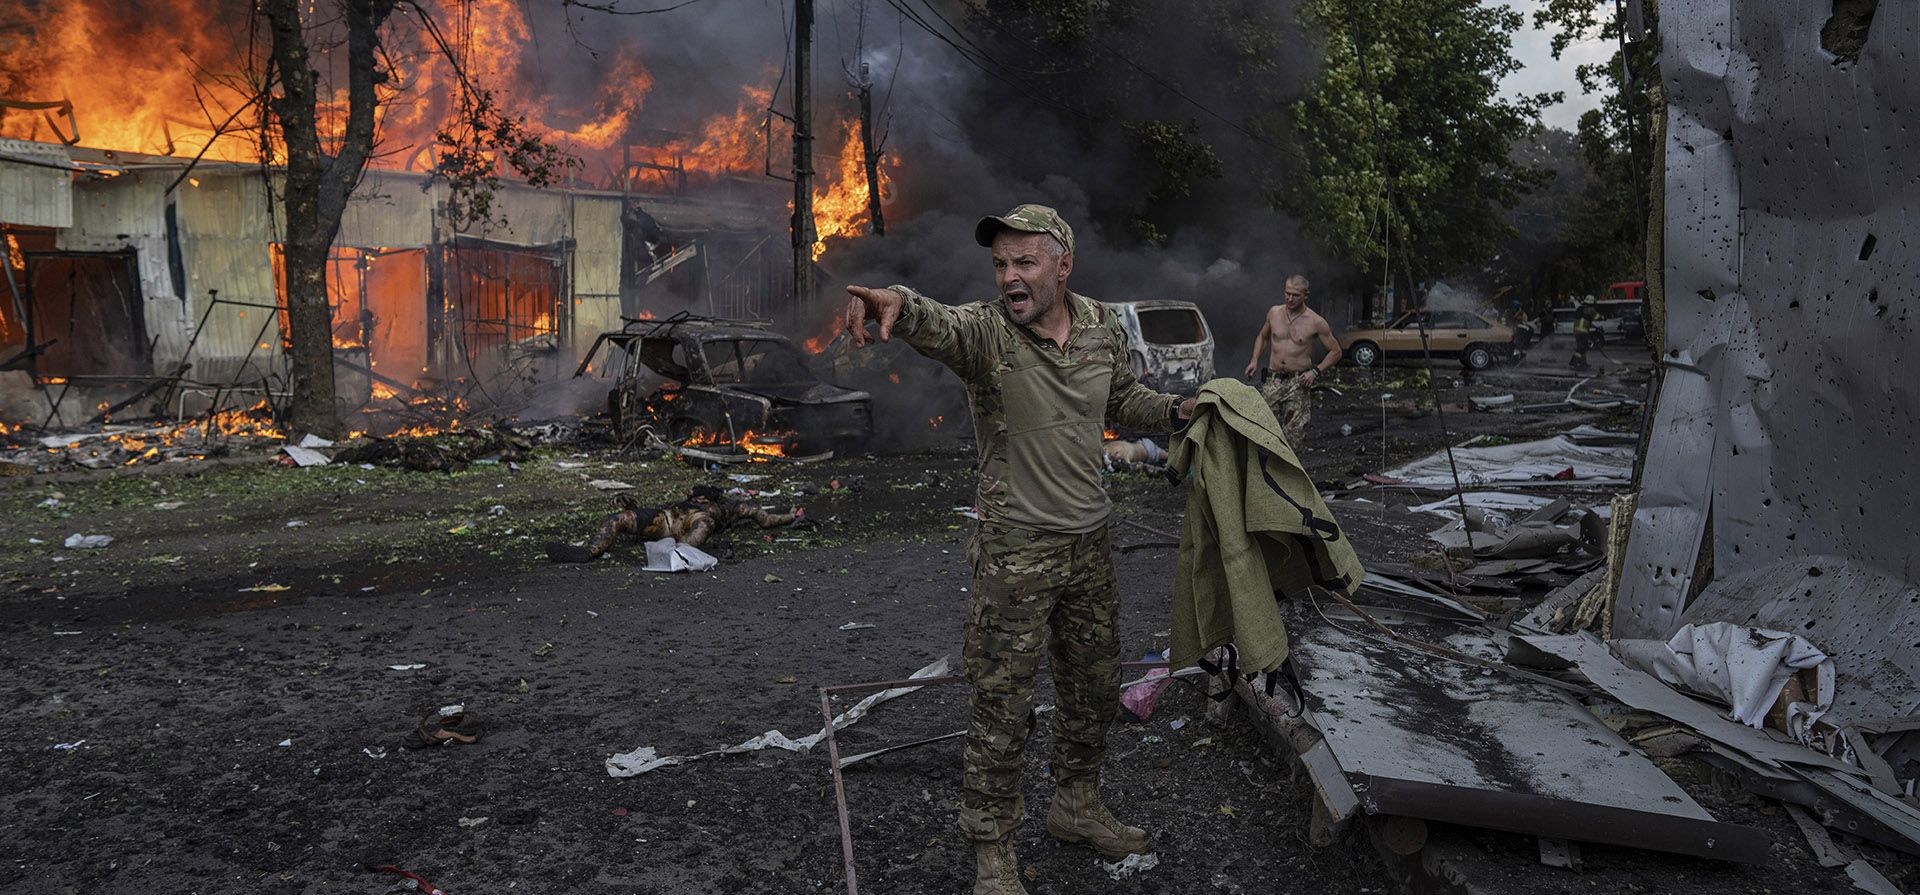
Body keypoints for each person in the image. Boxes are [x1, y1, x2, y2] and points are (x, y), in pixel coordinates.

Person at [842, 203, 1195, 895]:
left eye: (1024, 261)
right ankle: (993, 850)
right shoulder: (985, 333)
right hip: (1015, 552)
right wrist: (897, 304)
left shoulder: (1101, 327)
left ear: (1064, 263)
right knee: (1002, 706)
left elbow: (1124, 401)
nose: (1009, 276)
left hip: (1089, 542)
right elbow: (933, 320)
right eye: (1000, 263)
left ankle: (1076, 806)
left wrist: (1181, 411)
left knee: (1093, 690)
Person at [542, 486, 800, 562]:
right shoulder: (689, 502)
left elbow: (765, 519)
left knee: (701, 528)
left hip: (683, 524)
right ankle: (590, 551)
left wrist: (790, 516)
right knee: (618, 519)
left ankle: (676, 554)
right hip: (663, 517)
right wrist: (632, 507)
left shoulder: (724, 508)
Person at [1242, 274, 1341, 446]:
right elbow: (1262, 337)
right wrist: (1254, 360)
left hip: (1298, 383)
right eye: (1287, 293)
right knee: (1263, 430)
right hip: (1273, 380)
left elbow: (1336, 351)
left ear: (1305, 295)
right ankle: (1265, 471)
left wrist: (1315, 372)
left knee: (1293, 435)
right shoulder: (1274, 313)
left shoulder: (1316, 322)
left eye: (1295, 295)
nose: (1290, 298)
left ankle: (1288, 471)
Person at [1570, 296, 1599, 370]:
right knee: (1581, 348)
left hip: (1577, 331)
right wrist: (1604, 317)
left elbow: (1585, 320)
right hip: (1583, 332)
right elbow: (1597, 317)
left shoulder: (1580, 309)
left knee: (1583, 348)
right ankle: (1575, 363)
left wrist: (1595, 327)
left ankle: (1583, 363)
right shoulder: (1591, 309)